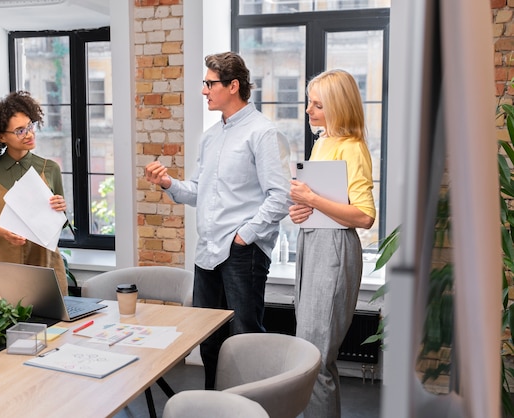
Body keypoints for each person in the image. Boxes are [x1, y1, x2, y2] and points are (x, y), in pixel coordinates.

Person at [145, 52, 291, 389]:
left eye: (210, 83)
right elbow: (199, 191)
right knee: (208, 340)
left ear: (233, 86)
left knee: (244, 340)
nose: (204, 90)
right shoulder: (211, 137)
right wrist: (168, 183)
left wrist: (245, 236)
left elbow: (280, 197)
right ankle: (214, 406)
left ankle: (246, 408)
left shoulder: (263, 133)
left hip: (243, 252)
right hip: (207, 252)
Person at [289, 69, 376, 418]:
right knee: (308, 351)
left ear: (338, 107)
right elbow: (323, 203)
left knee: (316, 357)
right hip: (312, 244)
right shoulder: (323, 141)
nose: (308, 110)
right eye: (309, 102)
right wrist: (301, 210)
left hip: (335, 250)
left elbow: (364, 216)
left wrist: (311, 197)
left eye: (318, 105)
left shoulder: (353, 148)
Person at [0, 91, 68, 294]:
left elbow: (61, 223)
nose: (30, 134)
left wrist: (60, 210)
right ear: (1, 137)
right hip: (3, 270)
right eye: (20, 131)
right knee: (2, 324)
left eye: (30, 126)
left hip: (45, 267)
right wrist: (1, 232)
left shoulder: (50, 169)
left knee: (53, 326)